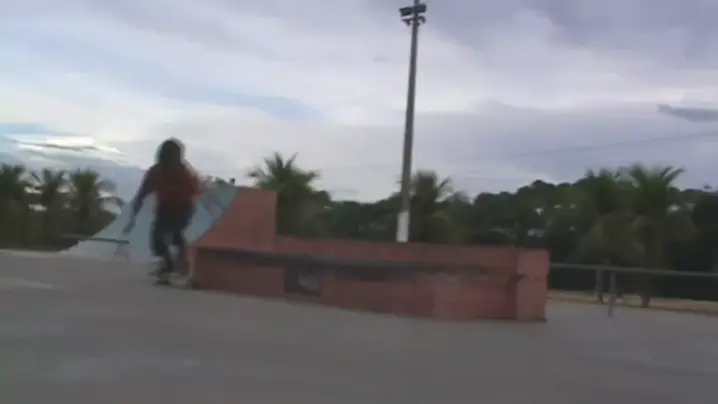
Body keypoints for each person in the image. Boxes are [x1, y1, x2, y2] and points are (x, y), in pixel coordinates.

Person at [123, 138, 201, 284]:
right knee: (157, 239)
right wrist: (132, 218)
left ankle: (183, 262)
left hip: (184, 207)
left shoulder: (185, 175)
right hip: (164, 207)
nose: (172, 167)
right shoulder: (155, 173)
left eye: (175, 162)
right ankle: (169, 263)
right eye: (169, 162)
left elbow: (197, 191)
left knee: (176, 233)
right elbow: (140, 196)